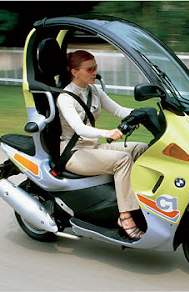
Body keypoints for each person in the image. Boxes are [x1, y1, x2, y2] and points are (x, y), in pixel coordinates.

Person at [56, 50, 148, 241]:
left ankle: (142, 203)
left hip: (93, 148)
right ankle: (125, 217)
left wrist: (149, 113)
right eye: (90, 69)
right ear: (75, 72)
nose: (94, 72)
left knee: (142, 148)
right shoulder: (65, 98)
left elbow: (119, 110)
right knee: (123, 160)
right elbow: (79, 128)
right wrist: (107, 133)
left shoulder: (94, 91)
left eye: (96, 67)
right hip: (74, 154)